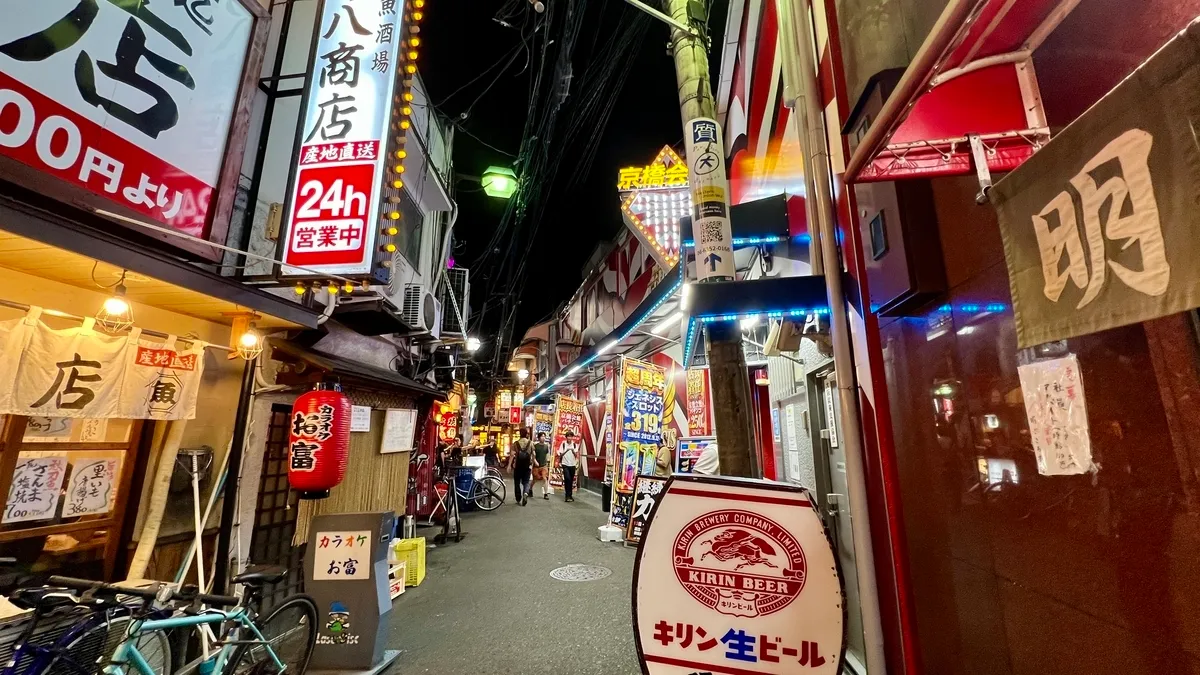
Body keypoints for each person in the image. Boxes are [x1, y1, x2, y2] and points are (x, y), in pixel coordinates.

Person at [508, 429, 535, 506]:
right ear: (526, 434)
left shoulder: (515, 443)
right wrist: (532, 464)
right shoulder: (530, 443)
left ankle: (518, 497)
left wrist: (509, 465)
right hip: (527, 466)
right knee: (526, 482)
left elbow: (512, 455)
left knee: (517, 482)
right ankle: (526, 493)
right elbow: (534, 454)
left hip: (518, 466)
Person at [557, 430, 580, 502]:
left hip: (572, 464)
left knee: (571, 480)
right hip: (565, 464)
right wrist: (566, 450)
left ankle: (570, 495)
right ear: (566, 437)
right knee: (567, 479)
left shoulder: (574, 445)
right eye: (568, 436)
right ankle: (567, 495)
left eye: (571, 436)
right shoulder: (563, 444)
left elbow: (576, 455)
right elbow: (560, 455)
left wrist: (573, 450)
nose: (569, 438)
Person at [533, 432, 553, 499]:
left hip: (544, 465)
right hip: (536, 466)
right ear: (539, 438)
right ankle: (530, 489)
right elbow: (533, 456)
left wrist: (548, 461)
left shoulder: (546, 446)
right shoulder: (535, 446)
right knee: (535, 480)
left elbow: (547, 454)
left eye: (544, 436)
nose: (543, 438)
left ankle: (546, 494)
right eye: (542, 436)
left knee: (544, 479)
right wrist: (535, 461)